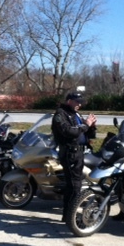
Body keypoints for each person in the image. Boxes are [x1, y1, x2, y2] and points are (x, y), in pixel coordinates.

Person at [51, 92, 97, 221]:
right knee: (74, 186)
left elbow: (87, 133)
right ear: (69, 101)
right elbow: (68, 131)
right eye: (77, 102)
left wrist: (92, 126)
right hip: (70, 153)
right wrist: (86, 125)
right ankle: (69, 216)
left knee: (76, 184)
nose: (79, 105)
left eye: (81, 102)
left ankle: (69, 215)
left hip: (79, 152)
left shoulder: (75, 114)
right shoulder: (61, 114)